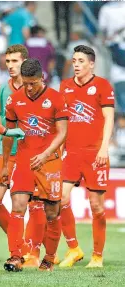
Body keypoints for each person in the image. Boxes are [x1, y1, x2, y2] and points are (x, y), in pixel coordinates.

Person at [1, 58, 68, 272]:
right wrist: (5, 165)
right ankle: (15, 256)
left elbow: (63, 132)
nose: (29, 88)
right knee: (18, 206)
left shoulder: (57, 99)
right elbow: (9, 135)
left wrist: (46, 153)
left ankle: (48, 258)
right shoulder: (13, 100)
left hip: (49, 163)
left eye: (34, 83)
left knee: (51, 213)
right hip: (24, 161)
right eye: (26, 82)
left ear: (42, 78)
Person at [0, 45, 49, 267]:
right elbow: (1, 124)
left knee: (34, 204)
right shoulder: (3, 90)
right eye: (8, 62)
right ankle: (20, 245)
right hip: (7, 152)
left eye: (15, 61)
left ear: (25, 63)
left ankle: (34, 251)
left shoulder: (39, 89)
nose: (11, 66)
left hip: (31, 155)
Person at [58, 45, 115, 268]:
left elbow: (108, 118)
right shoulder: (65, 86)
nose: (76, 65)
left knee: (97, 206)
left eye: (81, 61)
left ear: (91, 63)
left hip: (95, 154)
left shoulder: (102, 85)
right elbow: (62, 121)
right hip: (71, 153)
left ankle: (97, 256)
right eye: (74, 61)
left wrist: (104, 148)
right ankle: (74, 249)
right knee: (60, 199)